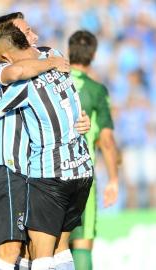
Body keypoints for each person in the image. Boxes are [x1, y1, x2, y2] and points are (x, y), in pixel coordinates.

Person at [0, 13, 90, 270]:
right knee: (11, 250)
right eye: (26, 33)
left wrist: (82, 121)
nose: (34, 37)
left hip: (40, 169)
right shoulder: (2, 69)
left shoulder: (48, 54)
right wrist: (51, 63)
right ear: (9, 43)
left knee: (41, 249)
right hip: (8, 167)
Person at [68, 30, 119, 270]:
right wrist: (113, 180)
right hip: (81, 176)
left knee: (48, 244)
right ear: (94, 55)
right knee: (82, 242)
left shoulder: (53, 84)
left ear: (69, 51)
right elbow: (106, 140)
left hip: (48, 174)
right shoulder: (96, 91)